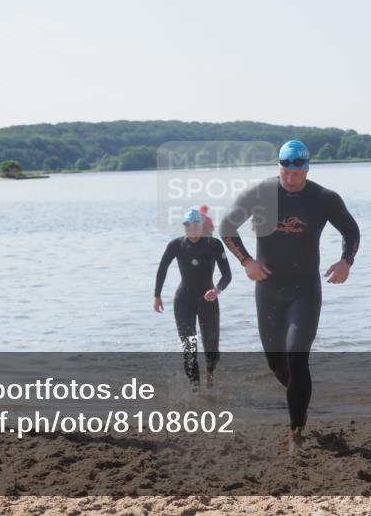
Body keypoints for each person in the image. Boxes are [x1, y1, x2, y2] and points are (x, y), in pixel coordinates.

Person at [220, 140, 360, 455]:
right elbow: (227, 227)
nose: (290, 179)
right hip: (268, 289)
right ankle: (301, 401)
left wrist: (345, 262)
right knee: (277, 365)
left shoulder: (324, 198)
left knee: (297, 356)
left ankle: (295, 432)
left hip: (305, 290)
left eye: (297, 174)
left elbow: (351, 231)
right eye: (285, 172)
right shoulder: (260, 193)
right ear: (279, 168)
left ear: (306, 170)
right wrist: (246, 262)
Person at [154, 208, 231, 390]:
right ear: (184, 227)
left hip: (209, 301)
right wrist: (157, 295)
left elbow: (227, 275)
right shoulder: (176, 245)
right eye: (188, 225)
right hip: (184, 301)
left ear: (202, 226)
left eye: (196, 225)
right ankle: (195, 389)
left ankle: (210, 373)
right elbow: (162, 269)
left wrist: (216, 290)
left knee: (212, 351)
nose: (192, 229)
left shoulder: (214, 245)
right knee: (189, 348)